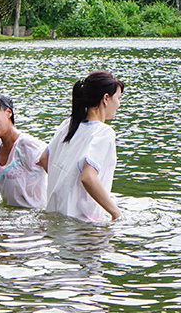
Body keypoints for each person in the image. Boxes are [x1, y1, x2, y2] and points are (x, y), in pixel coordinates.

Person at [42, 71, 124, 222]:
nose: (118, 104)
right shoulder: (104, 132)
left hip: (56, 218)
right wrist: (116, 213)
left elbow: (44, 159)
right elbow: (88, 178)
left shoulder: (68, 124)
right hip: (83, 222)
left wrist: (66, 186)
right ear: (106, 98)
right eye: (118, 98)